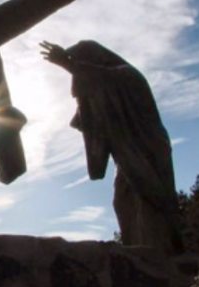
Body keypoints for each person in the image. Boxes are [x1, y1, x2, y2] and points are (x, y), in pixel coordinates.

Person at [40, 40, 183, 253]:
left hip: (146, 147)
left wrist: (67, 63)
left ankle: (159, 252)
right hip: (126, 153)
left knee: (149, 200)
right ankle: (138, 250)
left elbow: (103, 80)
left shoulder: (128, 75)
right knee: (123, 201)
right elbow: (90, 109)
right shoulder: (104, 82)